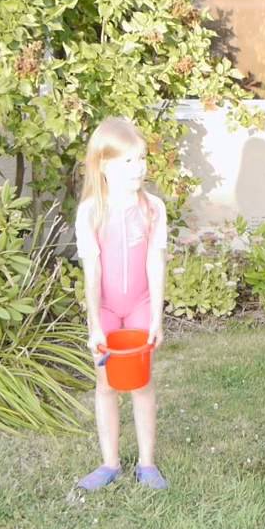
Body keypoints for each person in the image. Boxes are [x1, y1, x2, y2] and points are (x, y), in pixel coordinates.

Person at [74, 117, 169, 490]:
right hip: (108, 311)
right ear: (103, 165)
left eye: (142, 159)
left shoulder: (152, 208)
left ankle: (147, 463)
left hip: (140, 306)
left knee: (141, 383)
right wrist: (95, 324)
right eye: (127, 161)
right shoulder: (91, 212)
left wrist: (156, 319)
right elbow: (92, 272)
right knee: (106, 384)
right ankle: (109, 462)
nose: (139, 168)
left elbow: (154, 263)